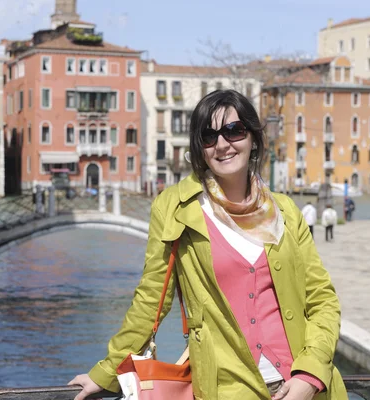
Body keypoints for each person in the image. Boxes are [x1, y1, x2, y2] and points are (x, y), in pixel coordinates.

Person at [69, 90, 348, 400]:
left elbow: (322, 300)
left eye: (234, 131)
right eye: (209, 135)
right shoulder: (175, 207)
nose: (223, 144)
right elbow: (151, 300)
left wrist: (310, 374)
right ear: (199, 147)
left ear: (253, 138)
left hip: (303, 387)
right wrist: (108, 370)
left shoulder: (285, 212)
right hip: (227, 389)